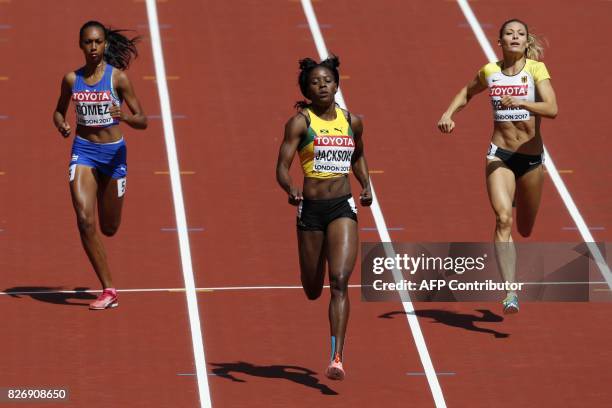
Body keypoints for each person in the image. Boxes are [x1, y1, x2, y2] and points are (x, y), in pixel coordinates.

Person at [437, 19, 558, 314]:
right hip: (499, 156)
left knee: (524, 228)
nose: (515, 37)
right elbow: (467, 92)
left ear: (526, 41)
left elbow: (552, 109)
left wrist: (521, 101)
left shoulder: (535, 70)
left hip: (530, 160)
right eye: (509, 33)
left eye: (520, 34)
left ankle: (518, 196)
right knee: (503, 220)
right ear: (500, 41)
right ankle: (510, 292)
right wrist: (448, 113)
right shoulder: (490, 72)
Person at [276, 56, 372, 380]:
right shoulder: (300, 124)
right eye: (315, 82)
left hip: (342, 206)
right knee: (313, 288)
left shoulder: (351, 121)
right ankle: (311, 274)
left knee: (341, 281)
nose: (322, 86)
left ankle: (337, 357)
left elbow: (357, 154)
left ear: (336, 84)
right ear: (307, 88)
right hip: (311, 211)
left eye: (327, 81)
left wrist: (366, 185)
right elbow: (281, 167)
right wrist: (290, 187)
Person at [53, 21, 147, 310]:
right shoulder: (71, 79)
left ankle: (108, 284)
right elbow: (57, 112)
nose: (93, 47)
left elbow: (143, 120)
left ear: (105, 45)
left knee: (109, 228)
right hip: (84, 152)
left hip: (113, 156)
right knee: (84, 219)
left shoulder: (117, 79)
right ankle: (109, 290)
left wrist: (125, 117)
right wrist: (63, 125)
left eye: (98, 42)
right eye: (88, 42)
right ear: (80, 45)